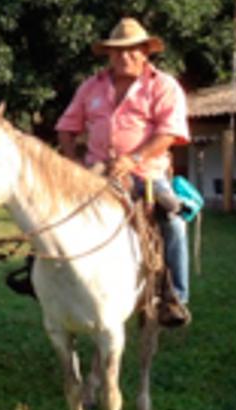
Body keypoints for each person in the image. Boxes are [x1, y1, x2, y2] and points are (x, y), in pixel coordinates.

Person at [55, 17, 191, 326]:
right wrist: (73, 162)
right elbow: (66, 127)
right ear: (108, 54)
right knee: (53, 212)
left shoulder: (163, 85)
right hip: (94, 174)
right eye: (117, 51)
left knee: (173, 222)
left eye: (131, 50)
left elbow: (169, 133)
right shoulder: (91, 86)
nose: (123, 56)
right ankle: (38, 274)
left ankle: (175, 297)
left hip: (147, 174)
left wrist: (134, 158)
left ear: (145, 52)